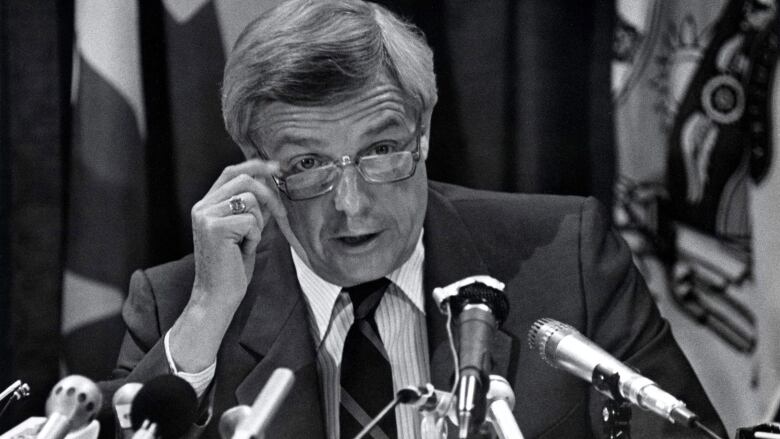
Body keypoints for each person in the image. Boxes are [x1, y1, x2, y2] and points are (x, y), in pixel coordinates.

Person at [104, 0, 727, 438]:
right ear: (253, 168)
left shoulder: (570, 258)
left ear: (423, 133)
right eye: (309, 164)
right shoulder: (178, 304)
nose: (351, 204)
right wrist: (203, 325)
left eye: (380, 152)